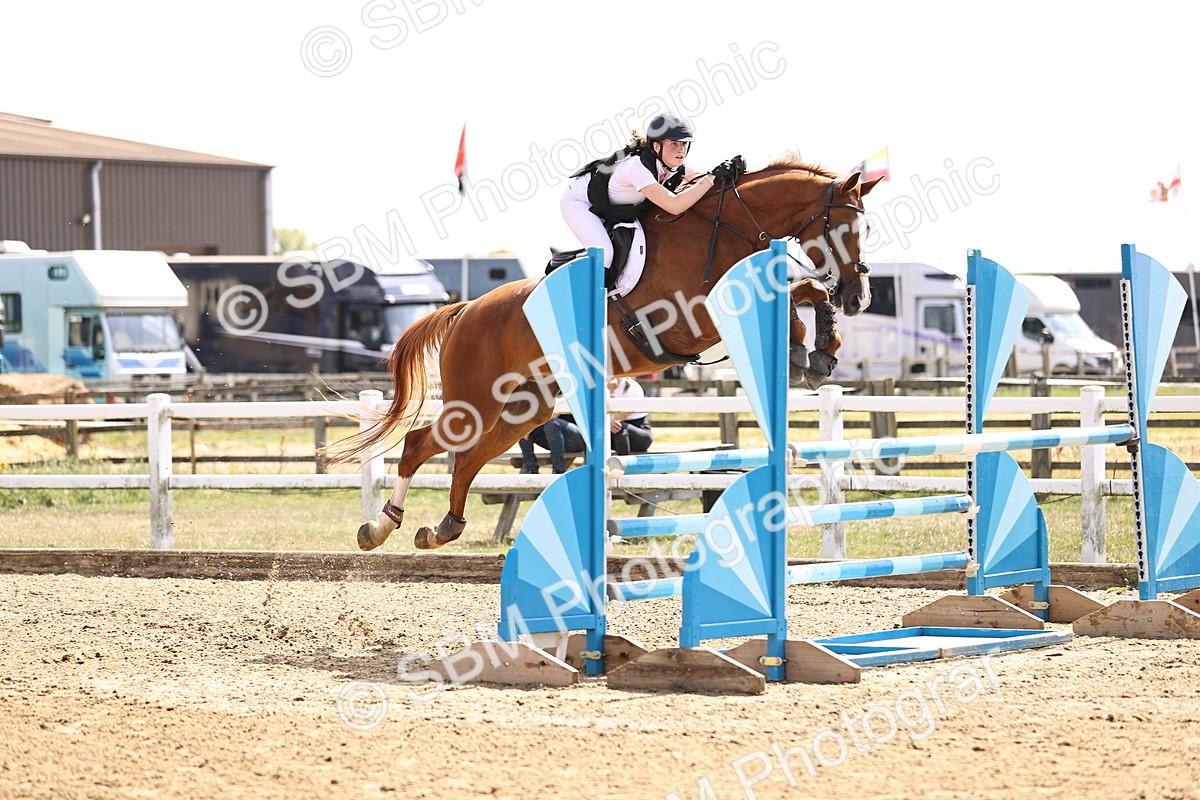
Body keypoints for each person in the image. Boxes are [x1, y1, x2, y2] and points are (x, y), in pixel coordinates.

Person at [560, 113, 740, 297]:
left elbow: (705, 183)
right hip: (579, 202)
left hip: (613, 208)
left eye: (684, 144)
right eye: (674, 144)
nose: (681, 150)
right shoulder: (636, 168)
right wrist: (711, 178)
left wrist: (731, 172)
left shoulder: (677, 169)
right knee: (604, 253)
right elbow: (675, 205)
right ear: (656, 146)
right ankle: (583, 302)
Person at [519, 415, 585, 475]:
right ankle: (531, 470)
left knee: (551, 424)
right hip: (554, 437)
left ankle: (558, 471)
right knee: (523, 427)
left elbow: (552, 415)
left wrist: (531, 427)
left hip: (576, 437)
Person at [608, 376, 652, 455]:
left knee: (618, 427)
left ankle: (623, 462)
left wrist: (612, 392)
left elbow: (620, 416)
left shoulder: (633, 387)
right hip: (613, 431)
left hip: (639, 434)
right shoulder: (603, 386)